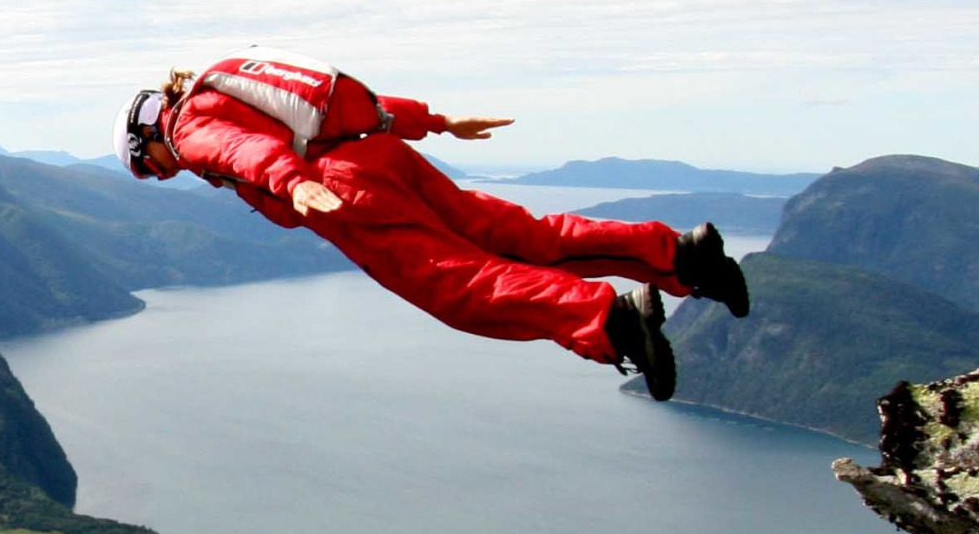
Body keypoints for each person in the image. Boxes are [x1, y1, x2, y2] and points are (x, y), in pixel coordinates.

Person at [113, 47, 750, 400]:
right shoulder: (235, 82)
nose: (165, 174)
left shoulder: (189, 126)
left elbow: (238, 155)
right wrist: (438, 122)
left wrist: (295, 183)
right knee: (519, 236)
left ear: (151, 131)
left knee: (461, 288)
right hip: (382, 155)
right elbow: (355, 108)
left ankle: (609, 321)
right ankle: (681, 257)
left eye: (152, 166)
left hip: (342, 190)